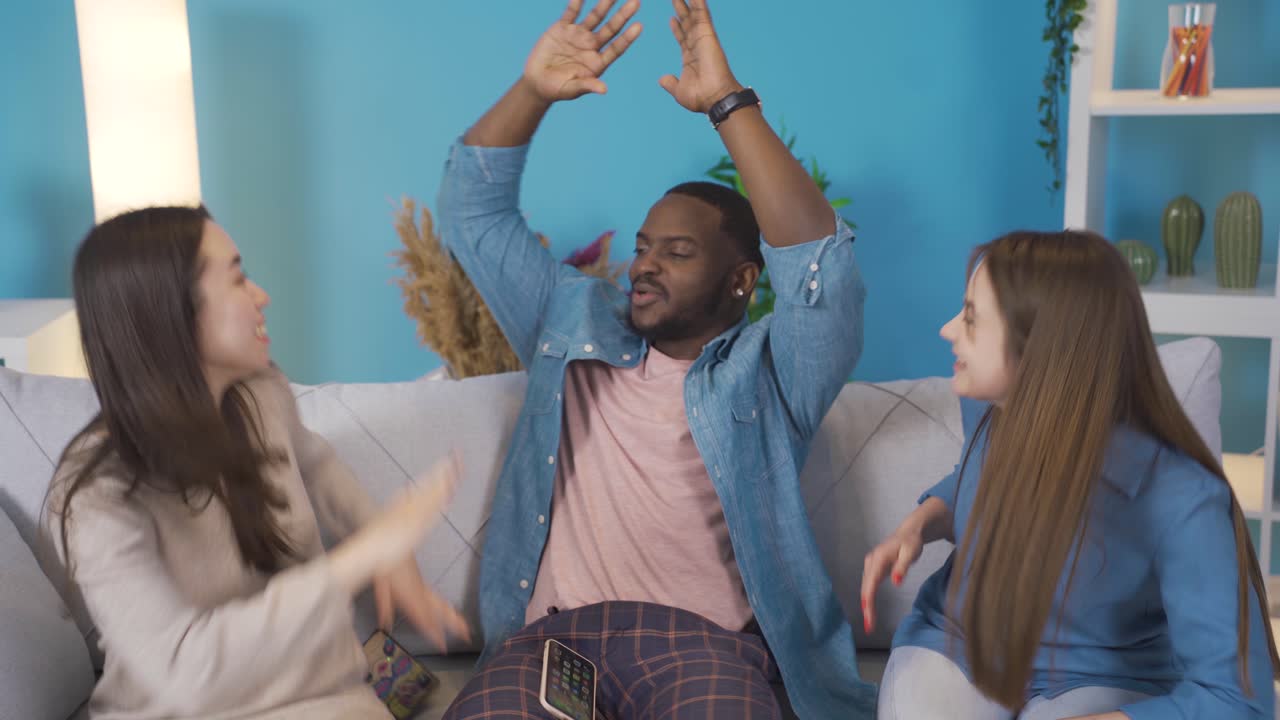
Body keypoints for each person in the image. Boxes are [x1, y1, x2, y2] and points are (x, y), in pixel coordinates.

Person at [435, 0, 875, 717]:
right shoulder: (568, 318)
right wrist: (533, 91)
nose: (644, 265)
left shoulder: (774, 371)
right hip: (553, 643)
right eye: (643, 247)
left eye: (678, 252)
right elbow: (470, 215)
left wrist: (727, 103)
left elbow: (822, 270)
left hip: (702, 646)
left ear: (742, 280)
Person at [44, 205, 469, 719]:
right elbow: (183, 674)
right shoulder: (96, 495)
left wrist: (385, 543)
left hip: (327, 695)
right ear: (172, 312)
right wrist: (364, 556)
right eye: (238, 279)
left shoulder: (261, 394)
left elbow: (316, 465)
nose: (262, 295)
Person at [863, 230, 1279, 719]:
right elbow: (976, 485)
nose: (948, 329)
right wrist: (918, 526)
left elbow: (1238, 700)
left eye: (971, 318)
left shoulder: (1181, 497)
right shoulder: (990, 408)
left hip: (1100, 672)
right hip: (957, 643)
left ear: (1040, 346)